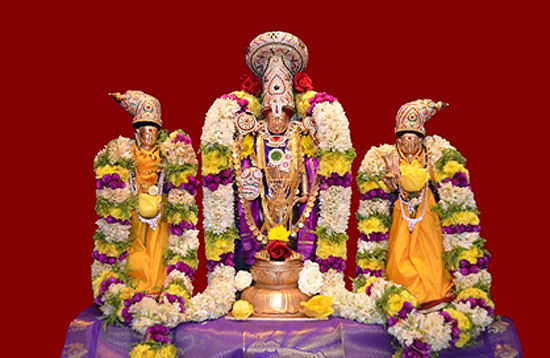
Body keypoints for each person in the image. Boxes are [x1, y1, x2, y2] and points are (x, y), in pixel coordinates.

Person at [382, 99, 454, 310]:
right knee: (399, 251)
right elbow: (388, 185)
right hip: (401, 209)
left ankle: (432, 292)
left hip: (426, 208)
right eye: (406, 141)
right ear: (399, 141)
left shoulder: (430, 157)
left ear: (421, 141)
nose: (410, 145)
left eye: (414, 141)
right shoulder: (391, 157)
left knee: (430, 249)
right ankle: (404, 292)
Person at [109, 90, 170, 294]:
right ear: (136, 133)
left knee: (158, 244)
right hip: (135, 202)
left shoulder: (165, 152)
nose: (148, 135)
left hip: (159, 203)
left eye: (153, 131)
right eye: (144, 131)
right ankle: (137, 285)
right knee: (136, 242)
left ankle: (157, 286)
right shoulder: (128, 152)